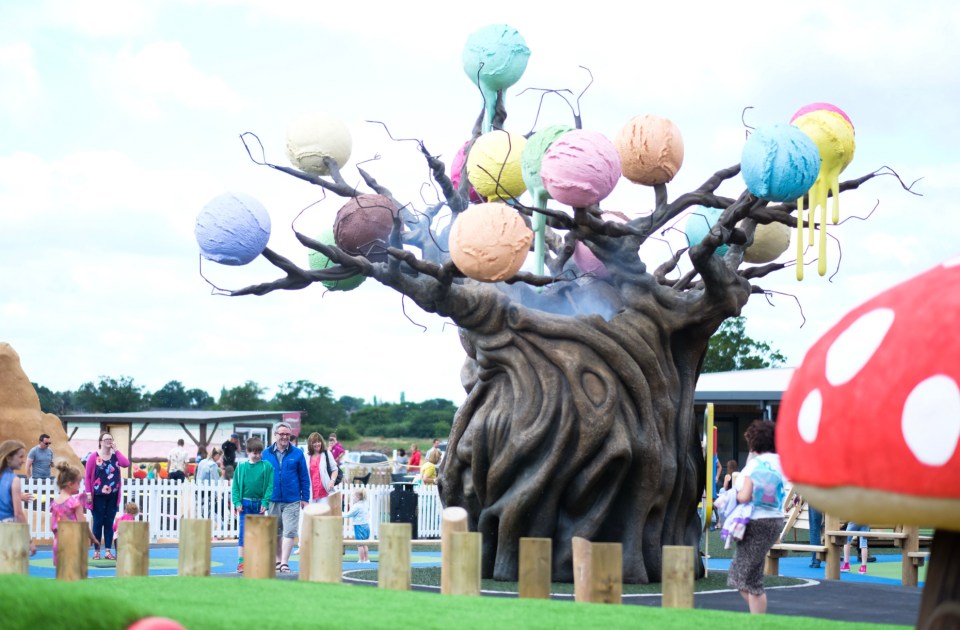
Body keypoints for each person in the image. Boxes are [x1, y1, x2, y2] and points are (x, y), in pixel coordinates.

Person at [726, 420, 785, 615]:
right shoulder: (781, 462)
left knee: (741, 577)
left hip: (755, 521)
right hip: (775, 521)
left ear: (754, 443)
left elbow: (744, 496)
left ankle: (759, 620)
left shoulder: (754, 465)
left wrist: (730, 496)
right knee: (752, 575)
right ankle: (757, 619)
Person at [262, 422, 309, 573]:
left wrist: (305, 497)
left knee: (289, 531)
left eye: (287, 434)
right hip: (272, 499)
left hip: (292, 499)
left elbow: (304, 477)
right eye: (281, 434)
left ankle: (284, 562)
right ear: (275, 435)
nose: (284, 437)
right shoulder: (266, 453)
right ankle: (277, 560)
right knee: (276, 531)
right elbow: (262, 476)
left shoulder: (297, 453)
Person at [84, 432, 130, 560]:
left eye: (110, 439)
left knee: (109, 523)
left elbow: (126, 464)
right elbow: (87, 477)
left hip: (113, 495)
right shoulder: (93, 457)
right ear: (100, 442)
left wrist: (117, 450)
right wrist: (88, 493)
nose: (109, 441)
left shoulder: (116, 456)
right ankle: (97, 551)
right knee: (98, 522)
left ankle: (108, 551)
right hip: (97, 495)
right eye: (106, 439)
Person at [231, 437, 273, 575]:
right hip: (244, 504)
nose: (257, 455)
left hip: (259, 504)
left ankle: (256, 560)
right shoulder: (241, 467)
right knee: (243, 534)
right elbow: (235, 486)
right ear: (247, 452)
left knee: (258, 534)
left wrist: (265, 502)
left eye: (259, 452)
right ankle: (241, 561)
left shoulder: (266, 466)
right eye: (254, 453)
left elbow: (269, 486)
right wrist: (237, 502)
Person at [50, 460, 97, 564]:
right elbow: (82, 524)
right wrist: (92, 536)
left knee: (61, 574)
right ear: (70, 484)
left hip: (58, 543)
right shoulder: (74, 502)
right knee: (74, 574)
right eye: (78, 483)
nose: (80, 486)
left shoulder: (54, 503)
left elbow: (52, 526)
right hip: (72, 543)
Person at [0, 440, 36, 556]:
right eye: (20, 457)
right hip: (8, 527)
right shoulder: (14, 480)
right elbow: (18, 513)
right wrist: (29, 540)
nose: (23, 460)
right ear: (9, 457)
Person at [306, 433, 338, 507]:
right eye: (314, 442)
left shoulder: (326, 453)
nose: (317, 444)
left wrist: (332, 480)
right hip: (310, 493)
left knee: (323, 516)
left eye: (319, 441)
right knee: (312, 517)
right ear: (310, 443)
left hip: (324, 492)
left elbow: (335, 469)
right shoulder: (306, 456)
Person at [342, 487, 370, 563]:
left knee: (360, 545)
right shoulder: (365, 503)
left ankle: (361, 560)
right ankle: (366, 559)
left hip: (359, 526)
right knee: (365, 544)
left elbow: (349, 514)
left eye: (353, 496)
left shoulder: (356, 506)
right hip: (366, 525)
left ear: (358, 497)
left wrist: (341, 514)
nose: (352, 498)